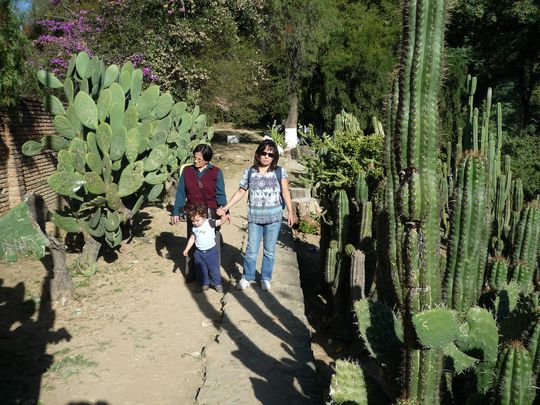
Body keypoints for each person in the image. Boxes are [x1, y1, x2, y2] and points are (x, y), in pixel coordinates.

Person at [217, 139, 294, 291]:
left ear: (274, 157)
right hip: (255, 218)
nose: (266, 156)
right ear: (258, 154)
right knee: (251, 249)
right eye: (263, 153)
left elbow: (285, 192)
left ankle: (265, 278)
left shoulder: (279, 172)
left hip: (274, 218)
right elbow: (241, 191)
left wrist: (291, 212)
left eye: (270, 154)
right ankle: (247, 277)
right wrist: (226, 208)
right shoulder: (250, 172)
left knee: (269, 250)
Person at [171, 144, 229, 281]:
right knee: (192, 242)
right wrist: (175, 211)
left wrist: (226, 211)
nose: (196, 161)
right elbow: (180, 193)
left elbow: (221, 194)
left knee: (212, 247)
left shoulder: (216, 172)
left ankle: (213, 277)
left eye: (199, 159)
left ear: (207, 160)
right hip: (193, 214)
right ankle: (192, 275)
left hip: (211, 214)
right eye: (194, 157)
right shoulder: (187, 171)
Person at [183, 203, 226, 293]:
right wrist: (187, 249)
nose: (195, 223)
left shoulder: (209, 222)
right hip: (199, 252)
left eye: (197, 220)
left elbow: (221, 221)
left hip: (211, 251)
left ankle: (217, 284)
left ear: (204, 216)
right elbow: (192, 238)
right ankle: (204, 284)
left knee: (213, 268)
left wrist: (223, 215)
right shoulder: (194, 228)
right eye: (193, 221)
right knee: (201, 269)